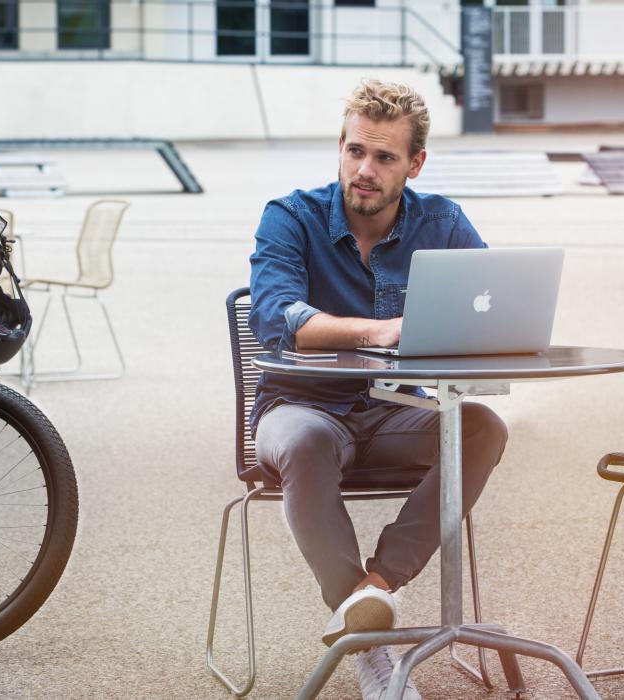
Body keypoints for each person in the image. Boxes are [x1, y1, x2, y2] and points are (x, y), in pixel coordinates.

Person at [247, 80, 508, 700]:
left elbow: (491, 308)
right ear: (340, 146)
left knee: (482, 428)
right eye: (355, 151)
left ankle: (376, 593)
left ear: (414, 164)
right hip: (299, 408)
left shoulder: (441, 221)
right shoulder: (291, 217)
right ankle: (373, 653)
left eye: (385, 157)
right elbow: (274, 313)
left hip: (394, 412)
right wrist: (382, 329)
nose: (365, 170)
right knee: (306, 440)